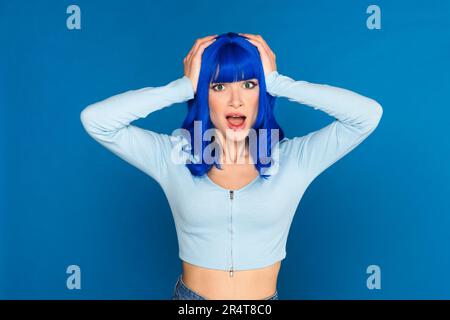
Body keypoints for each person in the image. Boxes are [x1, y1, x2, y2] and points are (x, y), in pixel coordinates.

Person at [80, 32, 383, 300]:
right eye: (219, 86)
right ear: (204, 95)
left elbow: (367, 115)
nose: (236, 101)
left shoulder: (294, 159)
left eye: (250, 84)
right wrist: (182, 88)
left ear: (261, 94)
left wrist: (279, 83)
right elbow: (96, 121)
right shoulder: (175, 156)